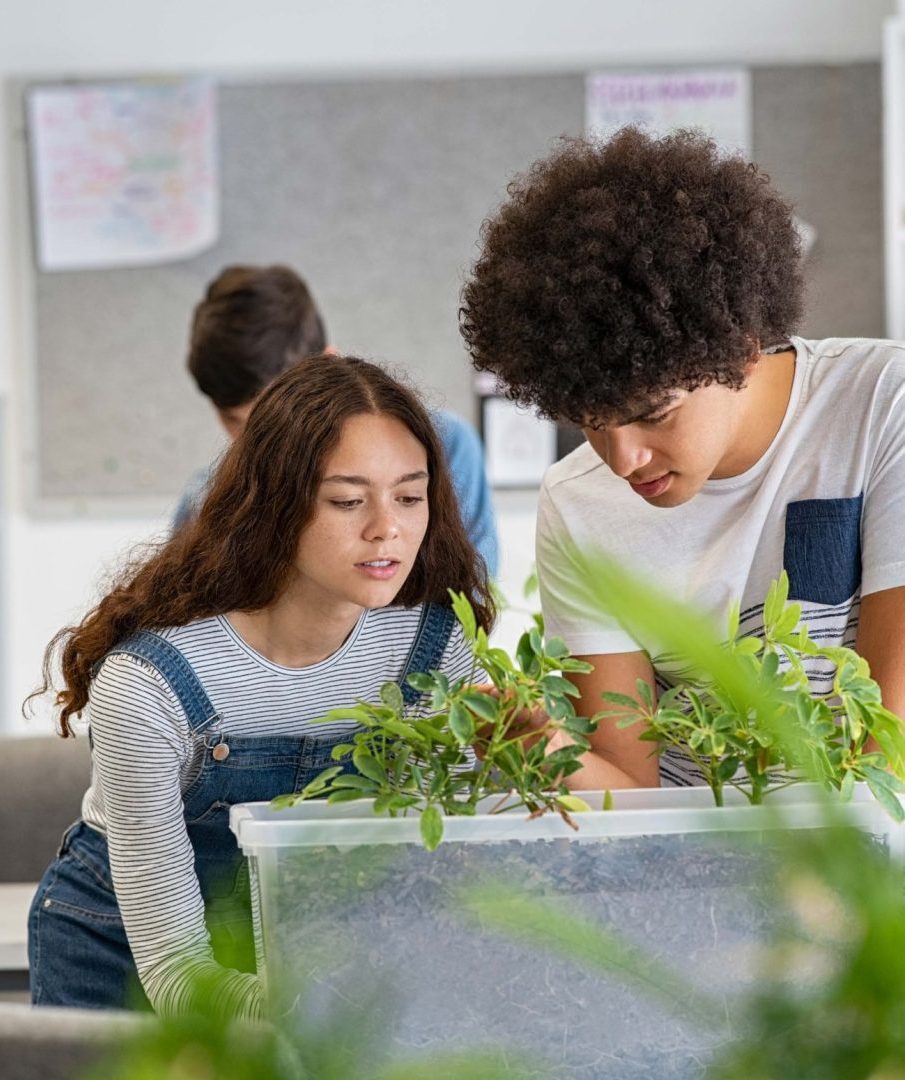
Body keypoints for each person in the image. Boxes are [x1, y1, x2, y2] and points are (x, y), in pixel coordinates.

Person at [28, 355, 494, 1019]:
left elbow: (427, 885)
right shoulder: (150, 683)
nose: (386, 527)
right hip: (126, 956)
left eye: (409, 497)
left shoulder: (435, 648)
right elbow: (176, 972)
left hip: (309, 959)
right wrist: (322, 1016)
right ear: (275, 505)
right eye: (347, 500)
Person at [459, 126, 905, 790]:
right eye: (590, 424)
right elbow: (629, 791)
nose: (623, 458)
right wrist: (541, 743)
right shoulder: (576, 502)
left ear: (741, 350)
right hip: (697, 855)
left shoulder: (879, 404)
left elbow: (888, 747)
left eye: (652, 412)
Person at [175, 264, 500, 577]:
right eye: (234, 422)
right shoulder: (205, 498)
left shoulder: (443, 444)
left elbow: (470, 596)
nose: (258, 444)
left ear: (328, 363)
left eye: (407, 498)